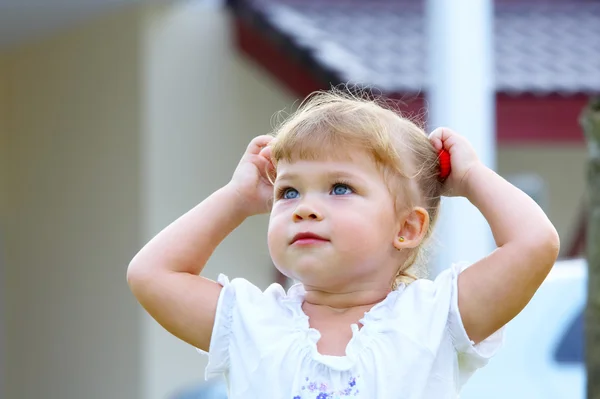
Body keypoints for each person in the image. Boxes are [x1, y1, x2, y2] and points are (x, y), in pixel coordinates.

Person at [127, 90, 560, 398]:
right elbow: (151, 274)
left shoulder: (438, 317)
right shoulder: (249, 322)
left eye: (339, 188)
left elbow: (534, 243)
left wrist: (471, 177)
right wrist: (235, 200)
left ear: (407, 229)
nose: (305, 208)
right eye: (289, 192)